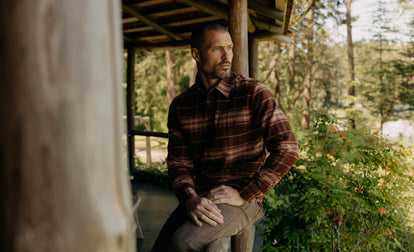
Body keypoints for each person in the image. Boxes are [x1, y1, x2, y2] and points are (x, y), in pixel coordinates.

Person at [151, 23, 299, 252]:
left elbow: (288, 148)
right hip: (202, 196)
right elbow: (178, 163)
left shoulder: (253, 93)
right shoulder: (181, 106)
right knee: (160, 248)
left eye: (229, 47)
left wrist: (245, 192)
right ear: (196, 54)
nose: (226, 55)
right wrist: (190, 199)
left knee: (183, 243)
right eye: (216, 49)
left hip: (243, 198)